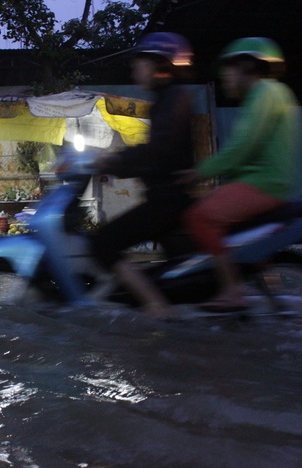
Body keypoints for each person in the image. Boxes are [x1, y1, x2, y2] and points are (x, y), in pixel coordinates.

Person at [179, 37, 302, 311]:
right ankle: (276, 296)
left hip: (262, 183)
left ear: (246, 65)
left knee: (198, 217)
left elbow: (243, 147)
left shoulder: (265, 93)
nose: (225, 76)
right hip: (267, 182)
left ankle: (233, 291)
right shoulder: (271, 94)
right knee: (244, 238)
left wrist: (201, 172)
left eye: (229, 68)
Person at [90, 32, 196, 320]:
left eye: (141, 63)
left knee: (102, 243)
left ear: (158, 65)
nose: (135, 69)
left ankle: (156, 308)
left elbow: (157, 151)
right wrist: (117, 165)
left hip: (167, 202)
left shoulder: (173, 99)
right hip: (167, 198)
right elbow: (153, 156)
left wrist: (115, 159)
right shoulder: (168, 99)